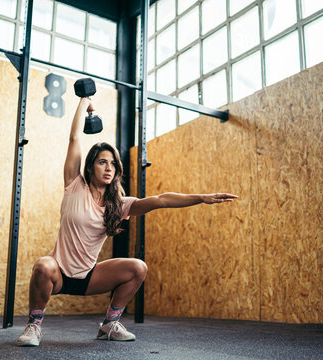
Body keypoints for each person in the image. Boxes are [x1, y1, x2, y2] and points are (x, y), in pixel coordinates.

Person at [16, 96, 238, 347]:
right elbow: (75, 139)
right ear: (90, 167)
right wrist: (84, 101)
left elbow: (161, 200)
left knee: (138, 268)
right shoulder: (74, 185)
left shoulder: (119, 204)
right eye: (102, 162)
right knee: (43, 265)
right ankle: (34, 326)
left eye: (112, 163)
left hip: (89, 276)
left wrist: (201, 197)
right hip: (60, 274)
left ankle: (110, 323)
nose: (108, 168)